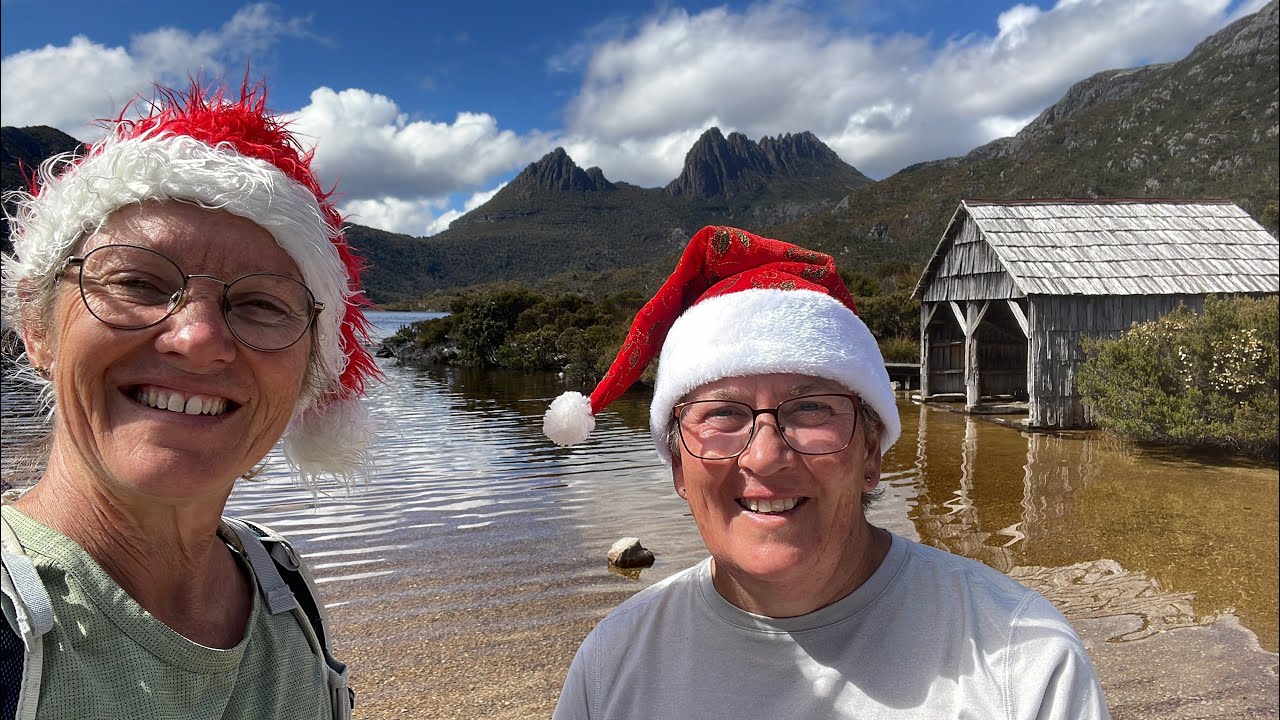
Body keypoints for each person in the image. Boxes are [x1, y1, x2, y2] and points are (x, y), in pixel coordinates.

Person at [542, 226, 1109, 719]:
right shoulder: (612, 665)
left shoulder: (1022, 662)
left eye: (811, 408)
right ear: (677, 468)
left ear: (871, 453)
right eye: (722, 414)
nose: (764, 457)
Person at [0, 79, 381, 720]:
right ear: (38, 328)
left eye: (261, 304)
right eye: (138, 281)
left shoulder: (282, 588)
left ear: (308, 373)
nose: (199, 340)